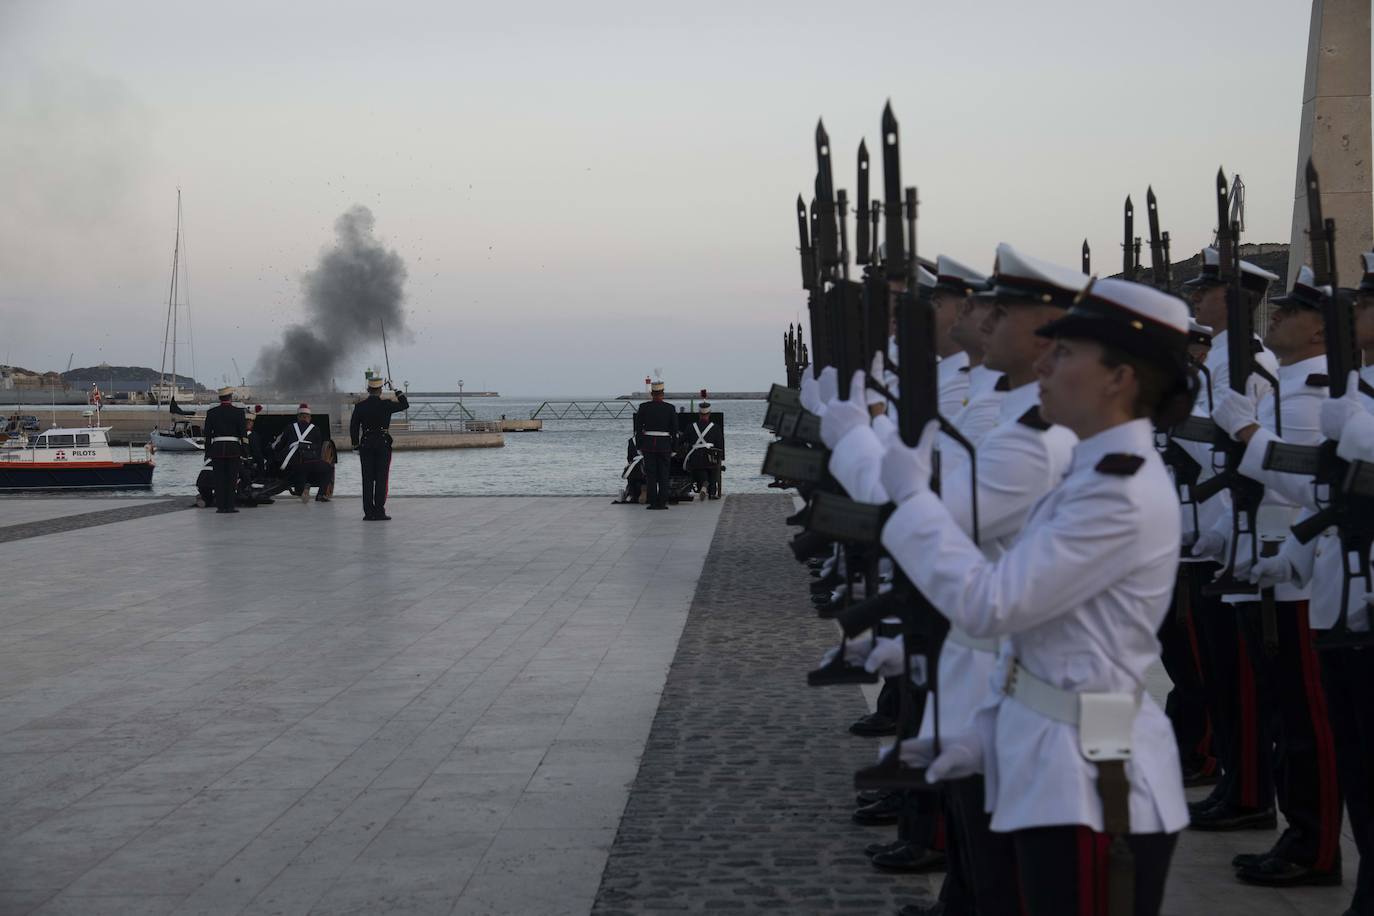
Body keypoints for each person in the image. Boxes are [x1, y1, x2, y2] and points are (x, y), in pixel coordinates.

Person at [879, 278, 1195, 916]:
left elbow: (993, 607)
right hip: (1056, 765)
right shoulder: (1089, 472)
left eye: (1067, 353)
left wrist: (911, 502)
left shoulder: (1118, 491)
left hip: (1091, 783)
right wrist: (980, 737)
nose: (1044, 365)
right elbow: (1047, 645)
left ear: (1120, 378)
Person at [1198, 265, 1342, 887]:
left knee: (1309, 724)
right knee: (1284, 719)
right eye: (1277, 308)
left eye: (1291, 311)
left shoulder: (1315, 392)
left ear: (1320, 332)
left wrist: (1248, 434)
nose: (1275, 317)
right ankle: (1297, 832)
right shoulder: (1283, 384)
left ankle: (1315, 846)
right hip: (1269, 566)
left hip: (1304, 582)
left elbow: (1311, 484)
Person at [350, 374, 409, 520]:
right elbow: (404, 404)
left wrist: (355, 444)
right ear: (380, 390)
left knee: (367, 479)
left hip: (366, 444)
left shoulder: (360, 406)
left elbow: (353, 427)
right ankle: (379, 511)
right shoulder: (386, 404)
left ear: (368, 389)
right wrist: (395, 388)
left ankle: (368, 513)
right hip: (382, 444)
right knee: (381, 479)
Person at [272, 403, 329, 505]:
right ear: (309, 418)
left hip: (293, 463)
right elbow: (319, 448)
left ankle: (302, 489)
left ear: (298, 417)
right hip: (312, 461)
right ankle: (320, 494)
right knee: (328, 469)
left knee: (299, 476)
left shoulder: (290, 427)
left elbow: (280, 446)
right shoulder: (316, 429)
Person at [202, 386, 246, 514]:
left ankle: (221, 506)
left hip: (217, 449)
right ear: (230, 397)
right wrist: (245, 451)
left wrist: (207, 451)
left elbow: (208, 435)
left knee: (219, 479)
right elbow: (243, 434)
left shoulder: (212, 413)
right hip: (233, 449)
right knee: (231, 479)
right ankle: (230, 506)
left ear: (220, 398)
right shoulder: (238, 412)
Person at [634, 380, 677, 509]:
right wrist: (674, 447)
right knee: (664, 474)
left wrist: (639, 445)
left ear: (652, 393)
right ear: (662, 394)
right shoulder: (670, 408)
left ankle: (652, 502)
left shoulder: (643, 407)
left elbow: (638, 428)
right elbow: (674, 430)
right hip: (664, 445)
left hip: (648, 445)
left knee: (651, 475)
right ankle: (662, 502)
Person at [683, 401, 723, 499]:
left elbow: (682, 440)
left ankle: (703, 485)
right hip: (710, 457)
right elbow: (720, 445)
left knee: (698, 469)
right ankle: (712, 492)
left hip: (695, 457)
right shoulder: (716, 428)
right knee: (713, 469)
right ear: (709, 414)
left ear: (699, 414)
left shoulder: (690, 427)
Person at [618, 435, 645, 504]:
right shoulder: (649, 439)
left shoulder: (631, 441)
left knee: (631, 474)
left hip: (634, 469)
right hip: (647, 468)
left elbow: (629, 457)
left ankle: (631, 494)